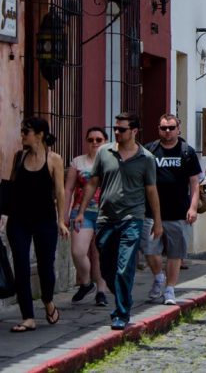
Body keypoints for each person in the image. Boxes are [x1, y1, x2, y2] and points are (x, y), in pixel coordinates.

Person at [77, 112, 161, 330]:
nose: (117, 132)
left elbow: (152, 191)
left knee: (125, 267)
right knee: (106, 269)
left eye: (122, 129)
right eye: (115, 128)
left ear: (134, 131)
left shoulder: (146, 158)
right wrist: (80, 211)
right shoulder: (104, 152)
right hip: (106, 219)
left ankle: (121, 313)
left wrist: (158, 222)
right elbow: (93, 183)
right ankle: (123, 296)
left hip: (132, 218)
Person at [5, 118, 68, 332]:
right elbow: (11, 187)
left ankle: (48, 301)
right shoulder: (19, 157)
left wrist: (61, 220)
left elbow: (59, 191)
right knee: (21, 267)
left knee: (45, 267)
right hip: (18, 220)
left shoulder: (54, 159)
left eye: (26, 132)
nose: (22, 135)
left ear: (39, 135)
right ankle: (28, 317)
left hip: (45, 220)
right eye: (22, 131)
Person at [144, 114, 202, 306]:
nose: (167, 132)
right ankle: (158, 276)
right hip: (151, 212)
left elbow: (195, 183)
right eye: (163, 128)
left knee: (175, 253)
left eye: (170, 128)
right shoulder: (150, 151)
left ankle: (170, 289)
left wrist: (193, 207)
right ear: (158, 129)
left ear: (178, 129)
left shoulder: (187, 152)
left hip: (178, 212)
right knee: (149, 249)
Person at [64, 125, 110, 307]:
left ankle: (101, 291)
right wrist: (65, 214)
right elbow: (68, 189)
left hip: (105, 213)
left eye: (99, 140)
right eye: (91, 140)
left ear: (105, 141)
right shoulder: (78, 162)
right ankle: (85, 282)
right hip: (81, 213)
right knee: (78, 251)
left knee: (100, 254)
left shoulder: (112, 161)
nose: (95, 143)